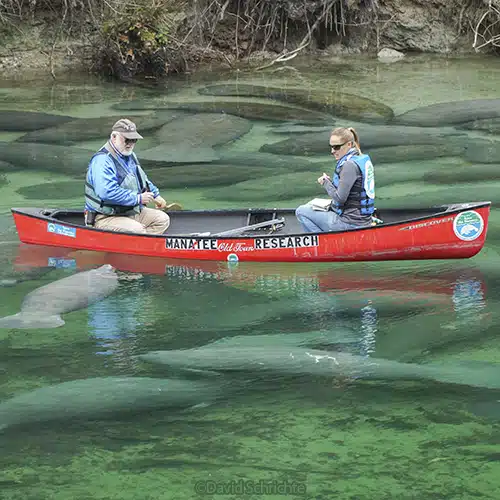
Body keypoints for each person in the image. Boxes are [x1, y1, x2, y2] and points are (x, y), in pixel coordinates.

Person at [84, 118, 171, 234]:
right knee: (138, 230)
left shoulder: (129, 155)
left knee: (162, 220)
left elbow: (142, 179)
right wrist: (138, 198)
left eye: (134, 140)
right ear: (114, 137)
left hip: (128, 212)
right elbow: (106, 192)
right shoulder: (102, 160)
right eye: (127, 140)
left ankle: (139, 248)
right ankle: (136, 245)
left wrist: (155, 195)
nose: (130, 144)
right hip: (105, 217)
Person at [295, 126, 375, 233]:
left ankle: (322, 244)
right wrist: (330, 183)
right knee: (311, 206)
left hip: (350, 224)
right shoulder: (360, 159)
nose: (332, 151)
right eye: (331, 147)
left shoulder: (349, 165)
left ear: (349, 145)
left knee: (301, 211)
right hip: (363, 220)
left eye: (336, 147)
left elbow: (340, 198)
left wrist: (325, 183)